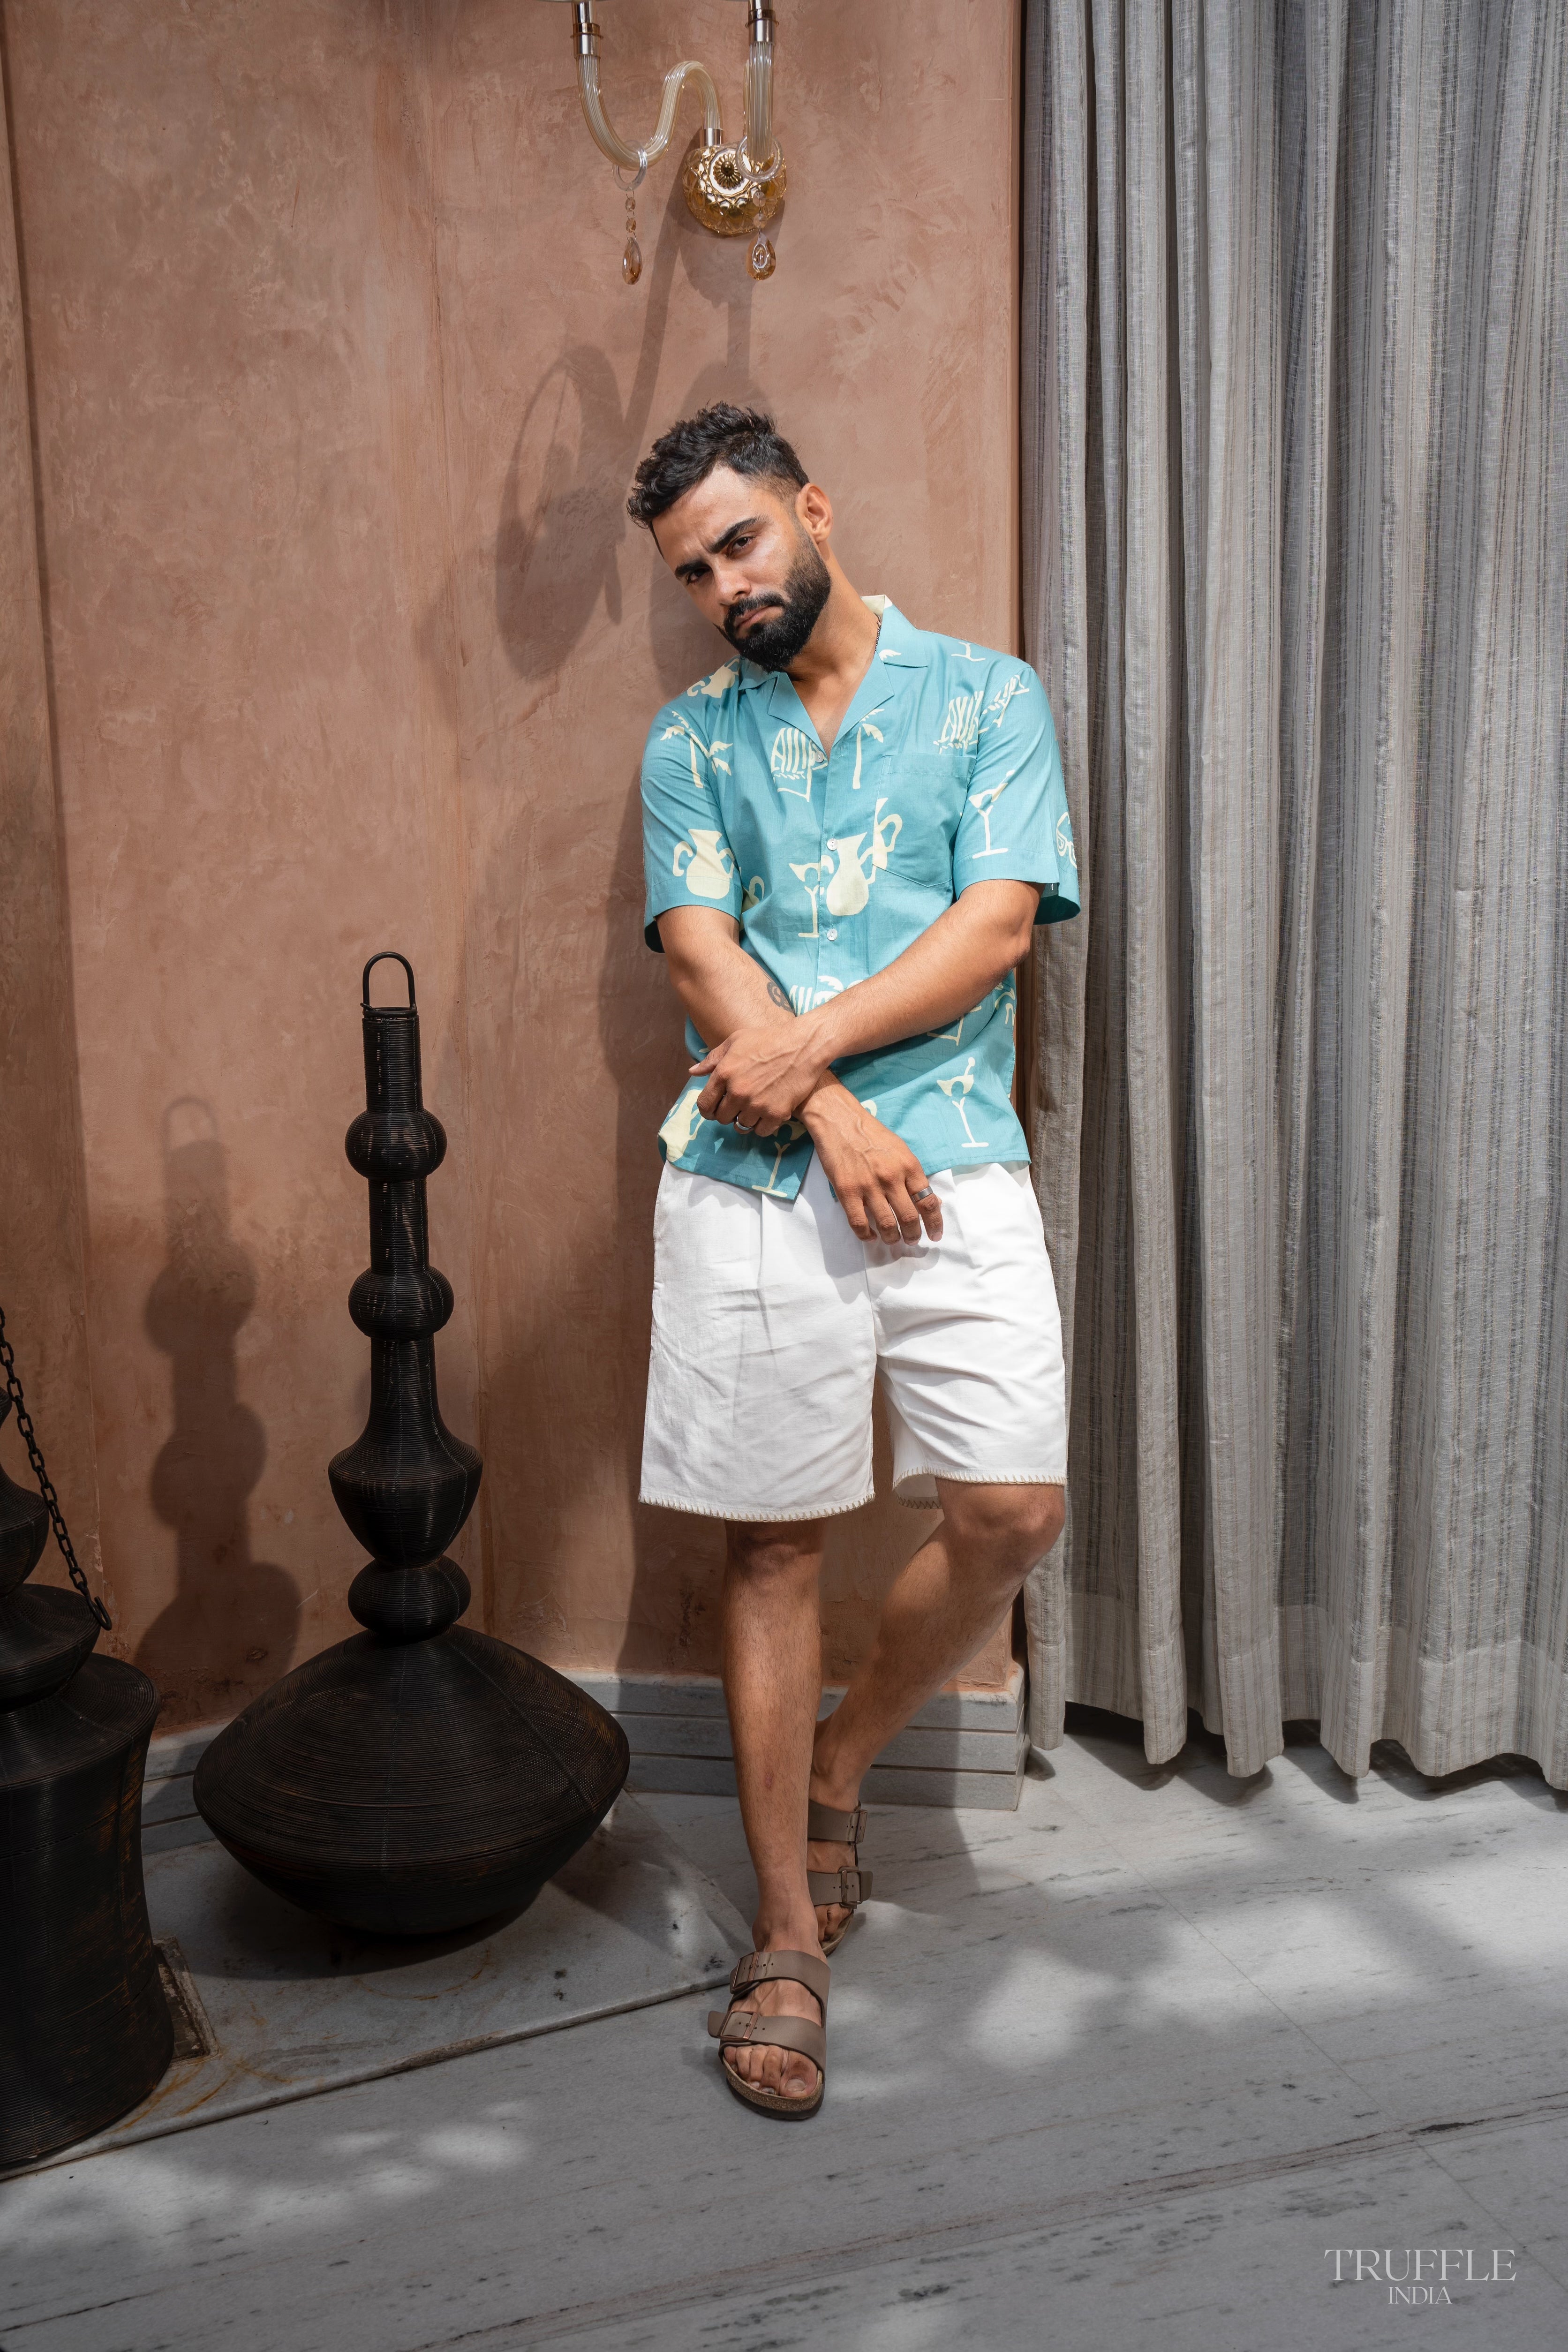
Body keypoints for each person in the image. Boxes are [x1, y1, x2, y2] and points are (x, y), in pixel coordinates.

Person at [629, 404, 1079, 2118]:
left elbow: (996, 924)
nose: (724, 586)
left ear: (812, 509)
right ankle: (781, 1925)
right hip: (751, 1176)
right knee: (773, 1544)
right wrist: (828, 1112)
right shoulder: (690, 741)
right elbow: (698, 953)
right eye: (692, 573)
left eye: (740, 542)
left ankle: (846, 1754)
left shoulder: (986, 698)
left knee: (1011, 1512)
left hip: (953, 1155)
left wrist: (817, 1058)